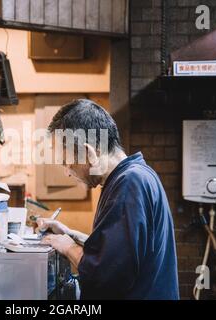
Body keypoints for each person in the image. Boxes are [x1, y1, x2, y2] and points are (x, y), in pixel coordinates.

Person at [37, 99, 179, 300]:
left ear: (89, 153)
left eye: (66, 163)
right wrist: (72, 234)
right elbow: (119, 251)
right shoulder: (132, 176)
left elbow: (106, 275)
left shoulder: (130, 182)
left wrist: (67, 246)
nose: (68, 172)